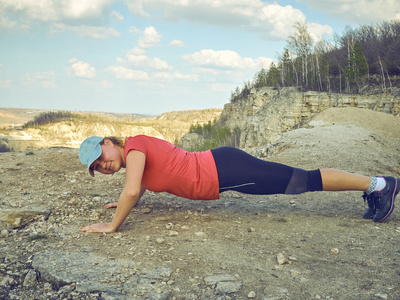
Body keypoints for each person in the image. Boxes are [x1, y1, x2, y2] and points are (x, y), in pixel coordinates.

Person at [78, 135, 399, 233]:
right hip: (224, 167)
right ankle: (375, 186)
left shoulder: (134, 147)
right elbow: (139, 186)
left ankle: (379, 185)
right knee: (303, 180)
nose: (103, 165)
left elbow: (132, 189)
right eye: (97, 168)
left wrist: (111, 224)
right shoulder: (135, 154)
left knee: (304, 181)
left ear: (108, 141)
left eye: (100, 156)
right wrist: (123, 202)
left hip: (226, 169)